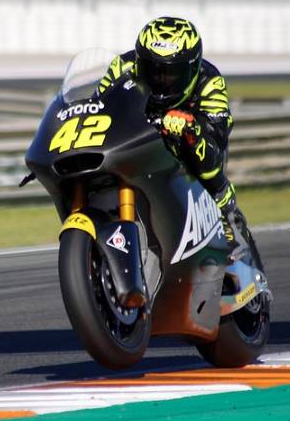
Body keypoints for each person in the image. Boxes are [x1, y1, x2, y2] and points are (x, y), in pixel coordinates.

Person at [97, 16, 263, 269]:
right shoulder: (122, 66)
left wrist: (191, 129)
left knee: (207, 168)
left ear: (192, 68)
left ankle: (231, 229)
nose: (161, 80)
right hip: (136, 140)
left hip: (187, 149)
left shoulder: (210, 81)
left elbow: (216, 137)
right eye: (152, 71)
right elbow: (99, 105)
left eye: (171, 73)